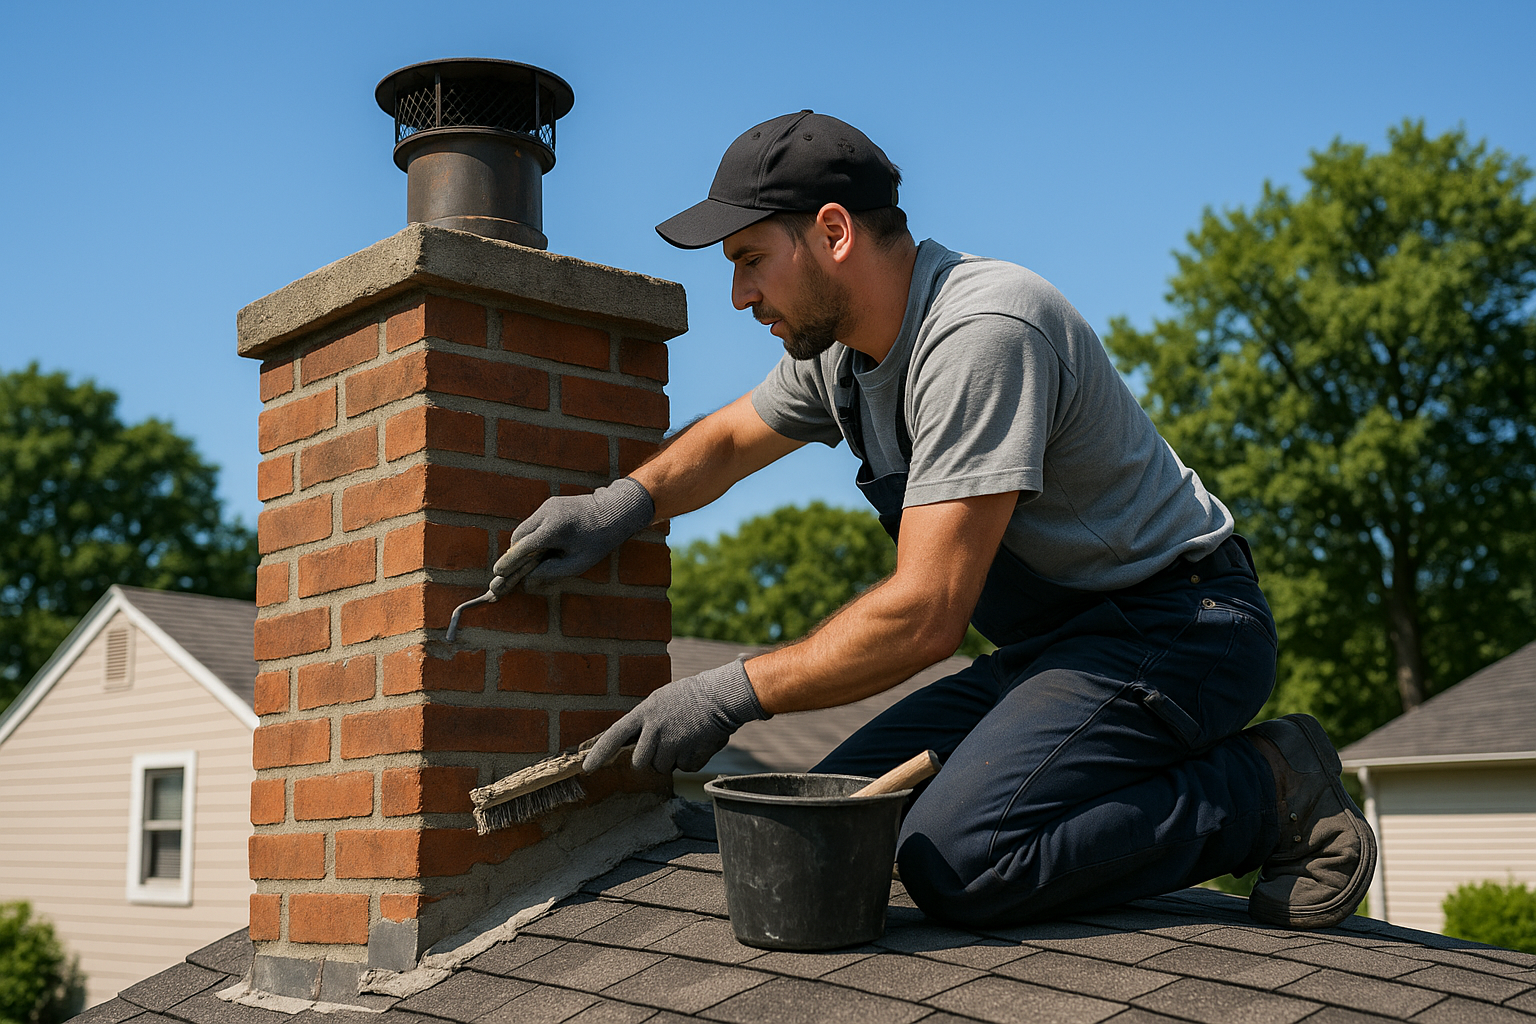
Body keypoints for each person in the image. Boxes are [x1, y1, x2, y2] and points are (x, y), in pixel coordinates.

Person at [498, 110, 1376, 929]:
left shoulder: (983, 331)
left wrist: (725, 695)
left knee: (961, 859)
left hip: (1183, 631)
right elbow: (729, 440)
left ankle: (1270, 789)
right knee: (852, 812)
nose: (737, 294)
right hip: (1060, 654)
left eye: (750, 257)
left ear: (834, 233)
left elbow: (925, 615)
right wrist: (622, 507)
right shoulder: (842, 355)